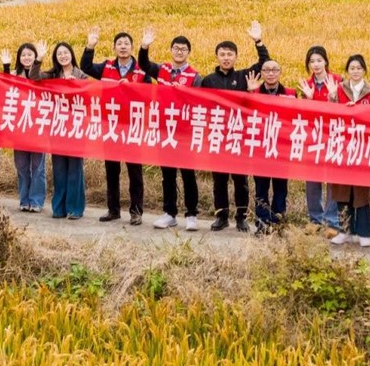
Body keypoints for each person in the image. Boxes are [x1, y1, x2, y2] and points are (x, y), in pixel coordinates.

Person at [200, 21, 269, 232]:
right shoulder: (208, 80)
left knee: (241, 180)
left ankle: (241, 216)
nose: (226, 57)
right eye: (222, 54)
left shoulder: (243, 76)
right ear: (217, 57)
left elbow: (265, 64)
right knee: (219, 180)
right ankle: (221, 216)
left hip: (239, 135)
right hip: (218, 136)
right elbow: (201, 105)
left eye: (230, 54)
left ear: (236, 57)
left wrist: (258, 41)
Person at [81, 27, 150, 225]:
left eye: (126, 43)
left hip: (131, 128)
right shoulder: (107, 67)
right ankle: (113, 210)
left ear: (132, 48)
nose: (123, 47)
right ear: (114, 48)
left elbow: (148, 96)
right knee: (112, 171)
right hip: (110, 126)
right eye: (119, 44)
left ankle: (136, 211)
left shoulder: (141, 71)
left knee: (134, 172)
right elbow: (86, 67)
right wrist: (90, 46)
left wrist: (132, 89)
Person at [138, 28, 203, 231]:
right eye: (176, 48)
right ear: (171, 50)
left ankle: (191, 214)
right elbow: (144, 65)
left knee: (188, 174)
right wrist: (144, 46)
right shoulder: (162, 70)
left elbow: (200, 102)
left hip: (184, 132)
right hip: (164, 130)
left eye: (183, 49)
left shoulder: (195, 76)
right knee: (168, 174)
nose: (179, 52)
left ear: (188, 52)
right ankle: (169, 213)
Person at [327, 55, 370, 247]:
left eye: (359, 68)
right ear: (347, 71)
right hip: (342, 146)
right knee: (342, 189)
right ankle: (345, 231)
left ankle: (364, 232)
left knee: (361, 190)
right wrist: (333, 99)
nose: (355, 71)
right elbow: (330, 115)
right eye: (352, 68)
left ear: (364, 70)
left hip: (363, 147)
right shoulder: (339, 90)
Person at [29, 42, 90, 220]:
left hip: (76, 127)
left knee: (75, 169)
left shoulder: (81, 75)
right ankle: (59, 208)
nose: (63, 56)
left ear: (71, 54)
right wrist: (39, 58)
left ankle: (75, 209)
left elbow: (89, 97)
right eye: (59, 54)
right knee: (59, 168)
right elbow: (34, 77)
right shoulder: (52, 75)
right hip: (57, 127)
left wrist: (76, 85)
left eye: (66, 52)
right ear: (56, 58)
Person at [246, 60, 297, 236]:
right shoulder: (254, 92)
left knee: (280, 189)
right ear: (262, 73)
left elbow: (298, 117)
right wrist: (250, 94)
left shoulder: (290, 94)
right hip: (260, 150)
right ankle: (262, 224)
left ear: (280, 72)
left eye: (274, 70)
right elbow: (245, 115)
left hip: (281, 149)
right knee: (261, 189)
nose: (271, 73)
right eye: (267, 70)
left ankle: (277, 224)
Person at [297, 46, 343, 231]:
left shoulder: (338, 81)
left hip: (333, 136)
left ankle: (331, 220)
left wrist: (334, 96)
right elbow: (303, 114)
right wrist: (307, 99)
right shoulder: (306, 85)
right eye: (312, 61)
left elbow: (345, 110)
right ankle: (315, 219)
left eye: (319, 60)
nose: (315, 65)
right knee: (312, 180)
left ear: (326, 61)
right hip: (313, 138)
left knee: (333, 179)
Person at [0, 41, 48, 213]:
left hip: (37, 126)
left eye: (30, 55)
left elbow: (35, 79)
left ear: (35, 57)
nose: (27, 58)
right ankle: (24, 199)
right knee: (21, 165)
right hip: (19, 127)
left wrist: (39, 59)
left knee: (38, 166)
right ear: (19, 58)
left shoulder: (42, 75)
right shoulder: (13, 74)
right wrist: (6, 67)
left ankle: (36, 200)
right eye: (24, 55)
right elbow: (4, 88)